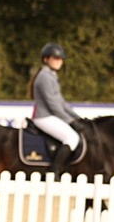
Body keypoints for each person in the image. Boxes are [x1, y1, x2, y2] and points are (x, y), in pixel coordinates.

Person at [30, 42, 80, 176]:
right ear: (46, 59)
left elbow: (62, 103)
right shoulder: (45, 77)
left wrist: (77, 117)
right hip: (44, 117)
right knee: (72, 138)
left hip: (50, 115)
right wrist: (70, 121)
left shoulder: (52, 76)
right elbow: (53, 105)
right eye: (56, 58)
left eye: (61, 58)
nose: (59, 61)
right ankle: (54, 171)